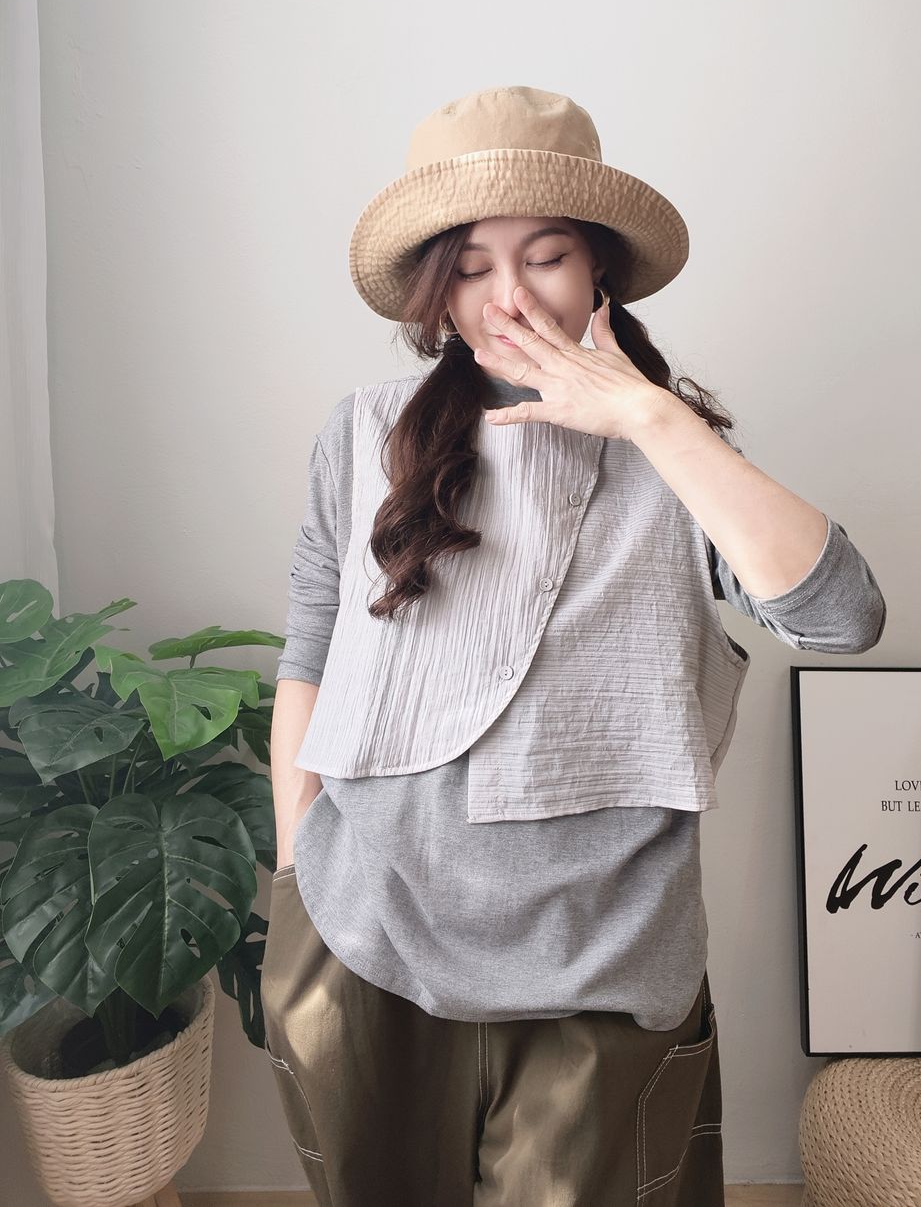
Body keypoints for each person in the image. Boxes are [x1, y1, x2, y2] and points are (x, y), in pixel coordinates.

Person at [261, 84, 887, 1207]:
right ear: (435, 293)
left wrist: (650, 416)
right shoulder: (361, 434)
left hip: (600, 967)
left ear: (599, 265)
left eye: (545, 256)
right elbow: (309, 649)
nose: (509, 297)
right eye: (469, 267)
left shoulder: (679, 457)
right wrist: (296, 861)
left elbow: (844, 618)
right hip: (362, 938)